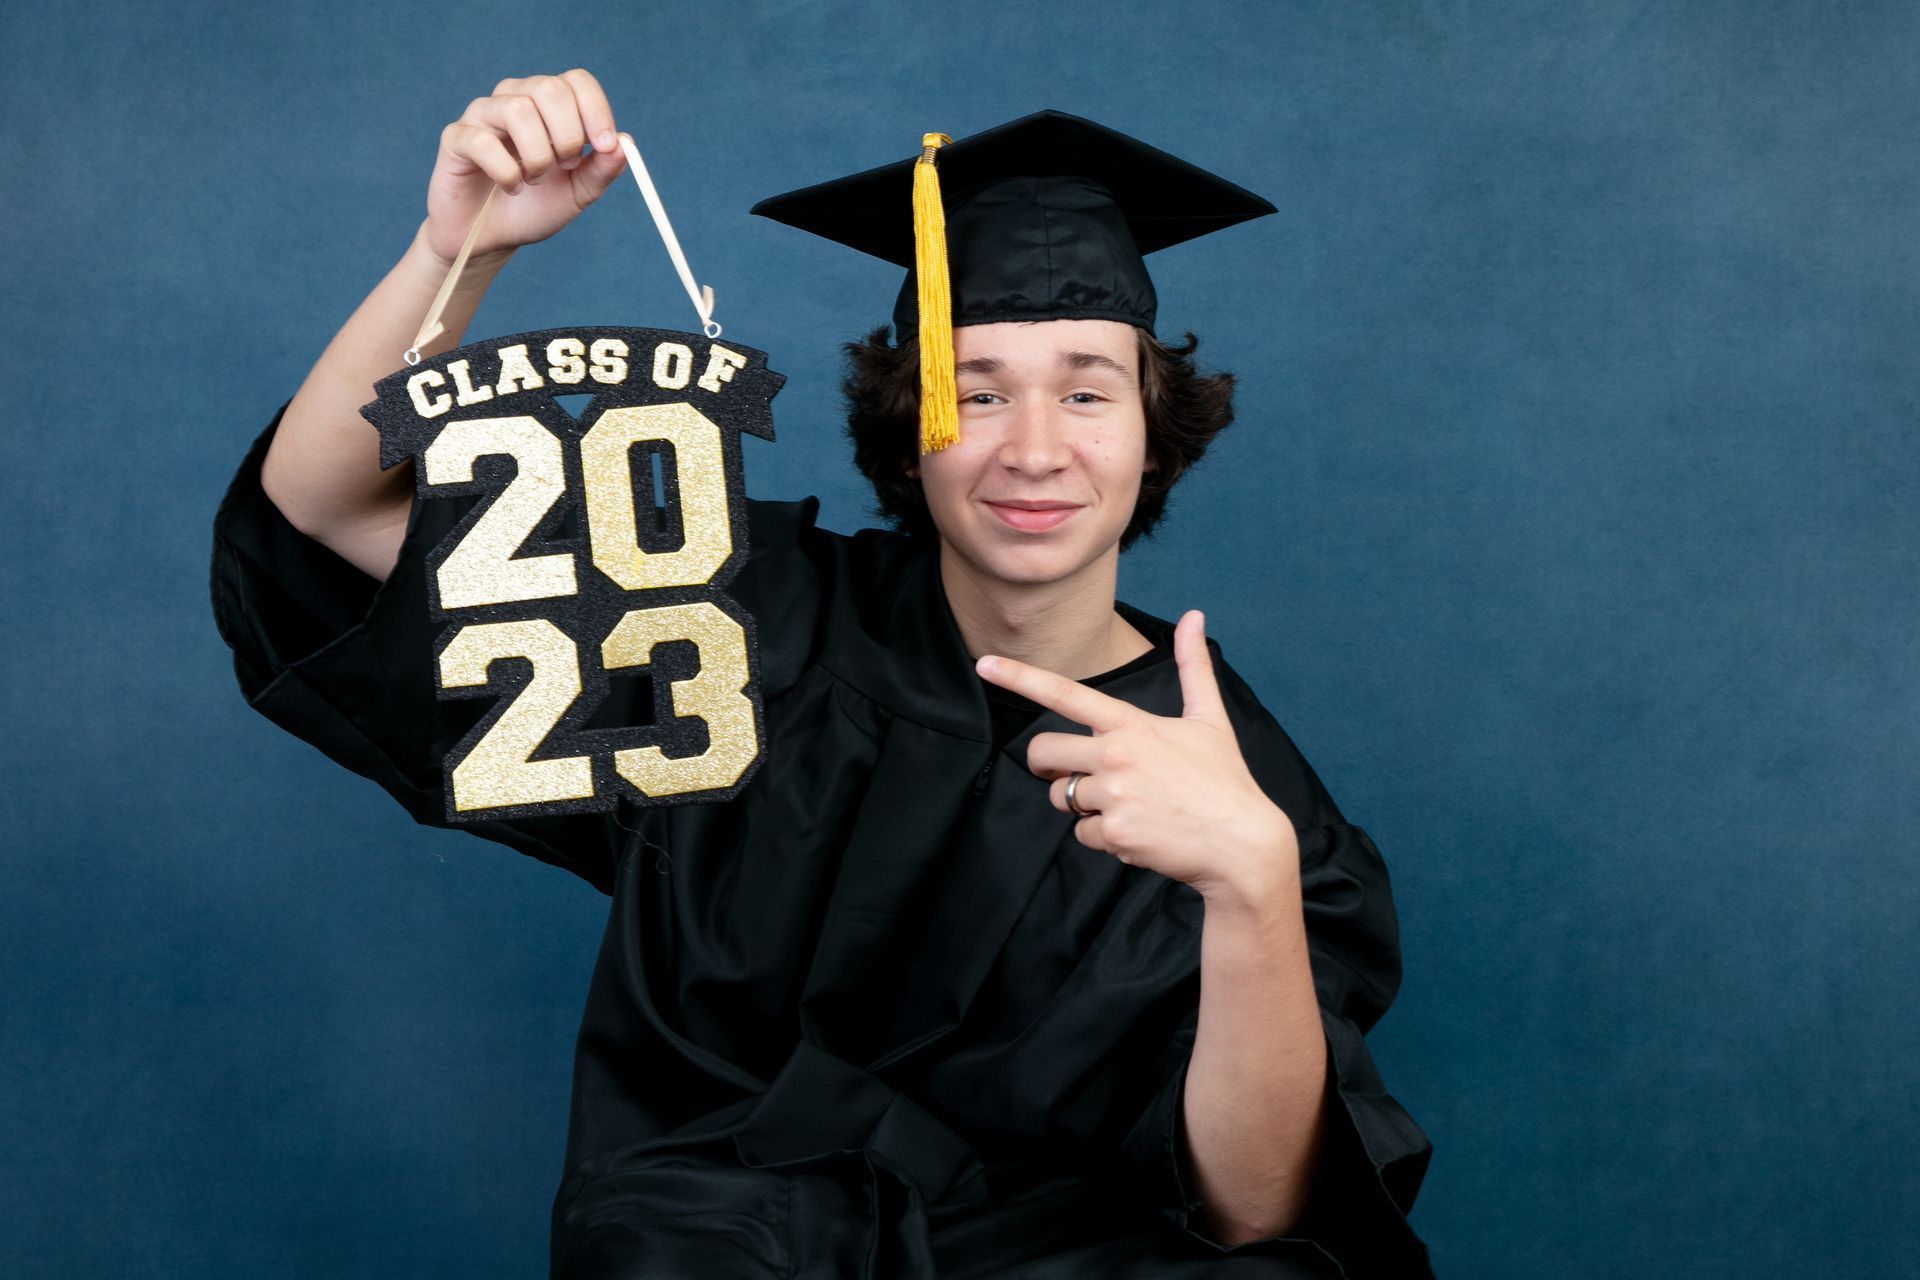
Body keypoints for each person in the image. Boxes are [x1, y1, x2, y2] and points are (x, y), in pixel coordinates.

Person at [210, 69, 1434, 1279]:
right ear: (912, 422)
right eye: (979, 389)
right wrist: (456, 248)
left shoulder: (1236, 777)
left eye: (1087, 389)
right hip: (727, 1229)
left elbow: (1257, 1208)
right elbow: (326, 506)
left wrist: (1255, 885)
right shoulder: (740, 605)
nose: (1038, 447)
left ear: (1155, 425)